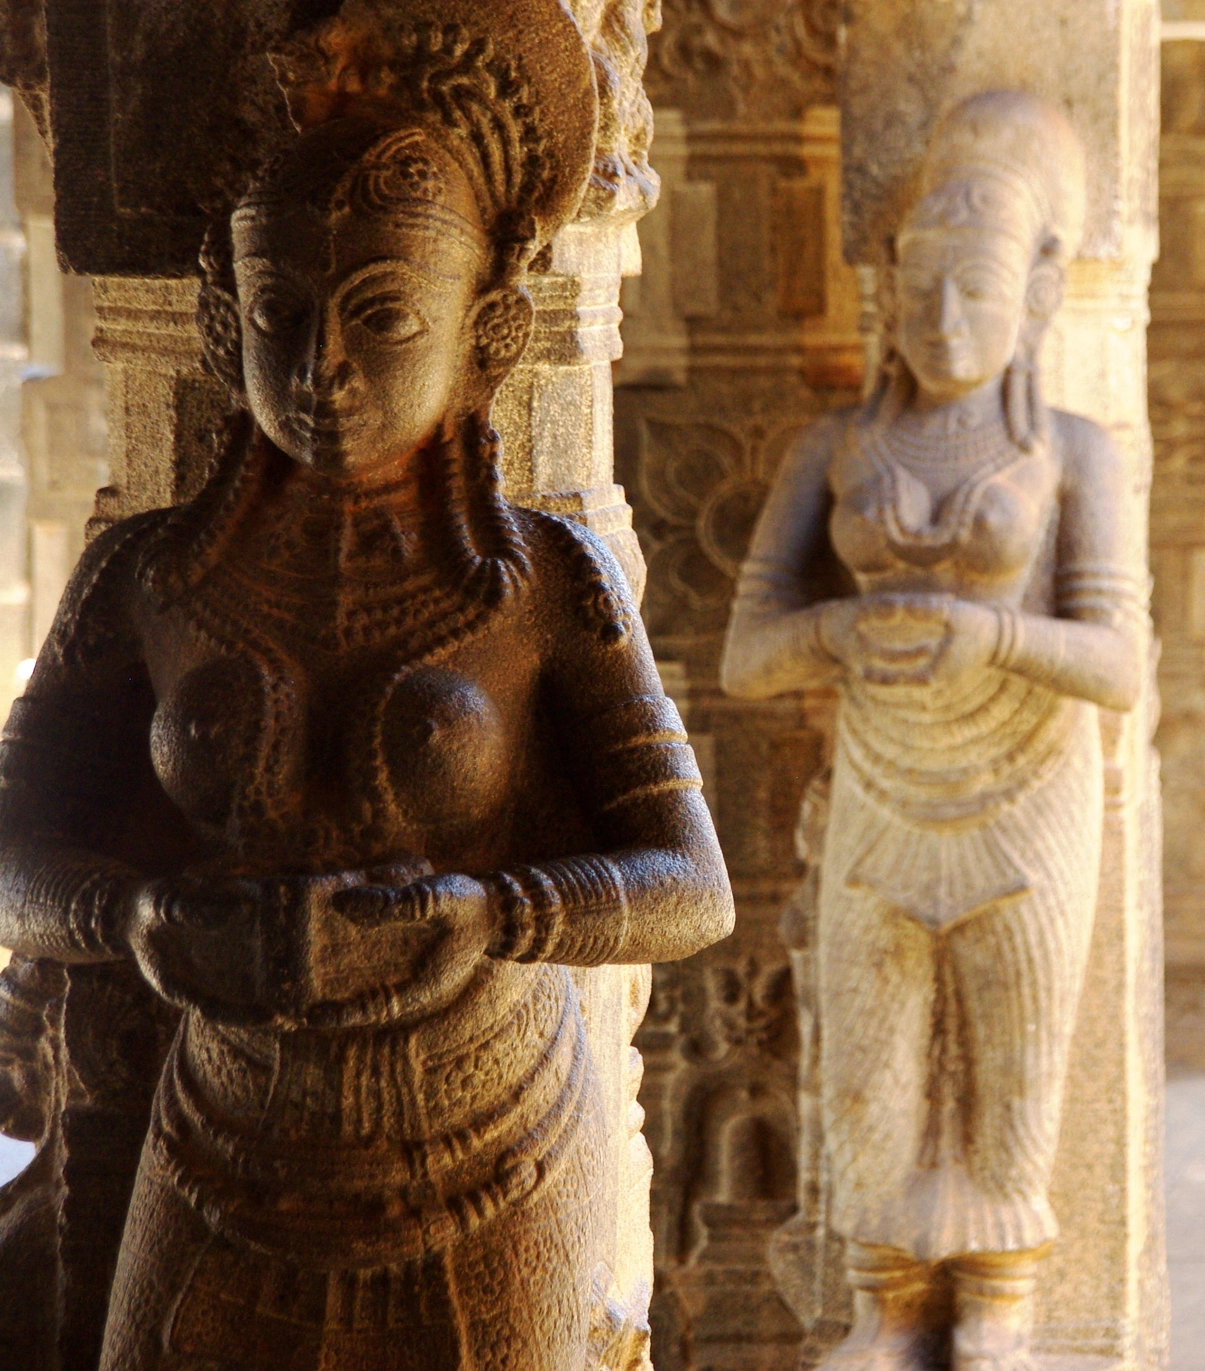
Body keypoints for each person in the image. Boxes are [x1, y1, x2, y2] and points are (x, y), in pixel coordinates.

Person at [0, 4, 733, 1365]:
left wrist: (490, 910)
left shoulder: (537, 581)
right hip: (224, 1123)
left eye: (382, 314)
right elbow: (8, 856)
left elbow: (691, 883)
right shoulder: (153, 578)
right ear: (226, 324)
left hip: (493, 1135)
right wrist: (140, 912)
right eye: (281, 313)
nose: (320, 364)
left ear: (485, 331)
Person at [722, 90, 1148, 1371]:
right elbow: (748, 653)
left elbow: (1122, 664)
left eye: (973, 290)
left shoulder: (1074, 453)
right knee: (867, 1075)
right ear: (887, 294)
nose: (945, 320)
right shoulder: (834, 449)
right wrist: (837, 636)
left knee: (1016, 1073)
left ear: (1036, 292)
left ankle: (1000, 1306)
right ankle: (887, 1303)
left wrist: (995, 637)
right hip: (880, 790)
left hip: (1027, 791)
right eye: (919, 291)